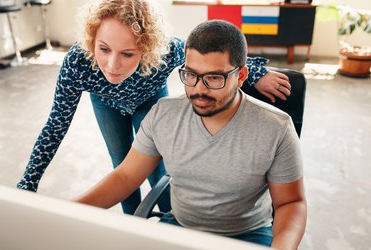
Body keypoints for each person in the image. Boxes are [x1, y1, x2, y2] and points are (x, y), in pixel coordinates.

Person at [17, 0, 291, 215]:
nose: (112, 66)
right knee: (122, 164)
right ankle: (132, 221)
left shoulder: (167, 51)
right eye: (103, 49)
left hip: (148, 99)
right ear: (92, 42)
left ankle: (171, 221)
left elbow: (209, 56)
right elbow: (55, 125)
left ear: (147, 49)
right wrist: (27, 183)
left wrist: (254, 73)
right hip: (107, 104)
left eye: (128, 54)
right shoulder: (77, 62)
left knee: (158, 164)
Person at [74, 19, 307, 249]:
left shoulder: (276, 128)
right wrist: (67, 211)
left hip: (248, 235)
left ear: (242, 76)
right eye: (191, 75)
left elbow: (291, 202)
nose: (199, 90)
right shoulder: (163, 115)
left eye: (214, 78)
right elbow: (125, 177)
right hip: (180, 228)